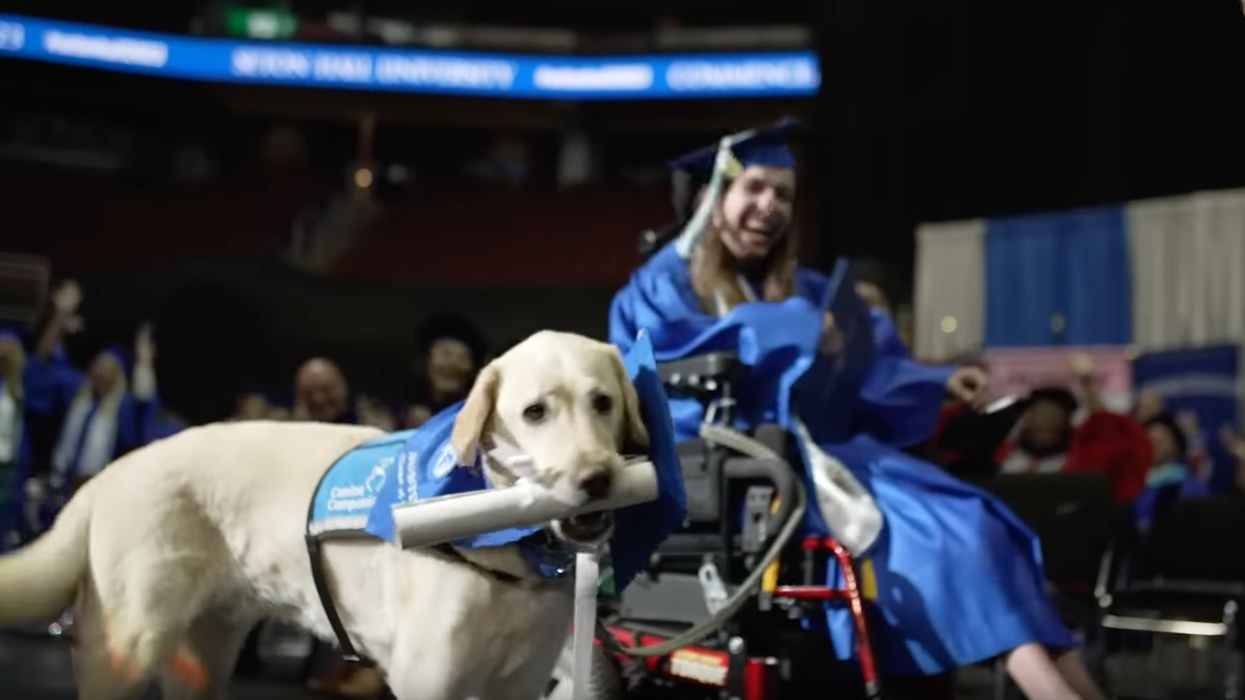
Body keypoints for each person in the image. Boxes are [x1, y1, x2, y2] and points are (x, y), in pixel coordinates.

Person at [608, 121, 1105, 700]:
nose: (770, 206)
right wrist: (795, 328)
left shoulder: (803, 287)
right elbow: (667, 363)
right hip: (741, 471)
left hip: (827, 457)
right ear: (708, 199)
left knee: (986, 522)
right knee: (954, 536)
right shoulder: (663, 284)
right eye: (755, 188)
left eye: (784, 194)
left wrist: (939, 379)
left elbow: (872, 363)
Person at [997, 354, 1151, 503]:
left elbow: (1106, 429)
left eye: (1053, 414)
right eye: (1038, 412)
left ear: (1066, 421)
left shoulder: (1082, 456)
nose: (1045, 419)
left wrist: (1088, 384)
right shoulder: (1003, 454)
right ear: (1026, 418)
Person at [402, 313, 486, 429]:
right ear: (426, 361)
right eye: (446, 354)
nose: (453, 364)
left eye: (462, 358)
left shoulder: (481, 414)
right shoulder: (400, 409)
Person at [1132, 412, 1208, 530]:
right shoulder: (1135, 486)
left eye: (1161, 442)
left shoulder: (1192, 487)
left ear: (1178, 446)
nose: (1154, 446)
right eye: (1150, 441)